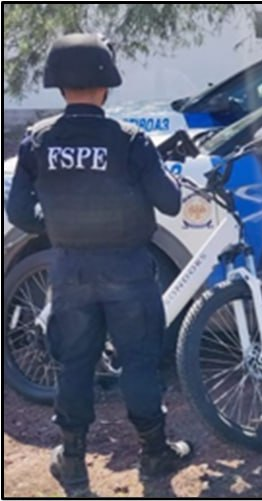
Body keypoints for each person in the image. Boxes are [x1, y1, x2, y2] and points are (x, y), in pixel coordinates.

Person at [6, 33, 194, 492]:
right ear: (107, 85)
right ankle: (154, 454)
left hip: (70, 270)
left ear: (58, 85)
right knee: (139, 364)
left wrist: (57, 226)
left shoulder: (38, 140)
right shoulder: (129, 140)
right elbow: (169, 202)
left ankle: (72, 464)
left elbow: (18, 213)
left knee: (74, 366)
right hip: (128, 270)